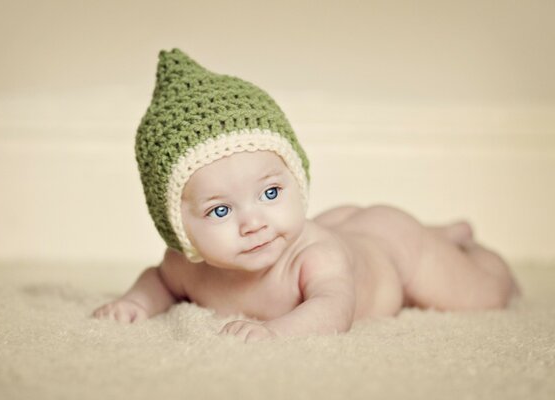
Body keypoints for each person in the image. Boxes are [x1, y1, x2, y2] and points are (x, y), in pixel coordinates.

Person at [93, 49, 520, 342]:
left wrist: (278, 332)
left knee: (482, 294)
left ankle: (460, 245)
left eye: (272, 192)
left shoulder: (313, 257)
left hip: (393, 248)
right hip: (348, 227)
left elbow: (335, 308)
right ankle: (442, 233)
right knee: (349, 228)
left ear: (297, 180)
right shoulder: (184, 267)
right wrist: (134, 302)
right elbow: (159, 280)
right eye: (220, 209)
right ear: (177, 227)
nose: (254, 222)